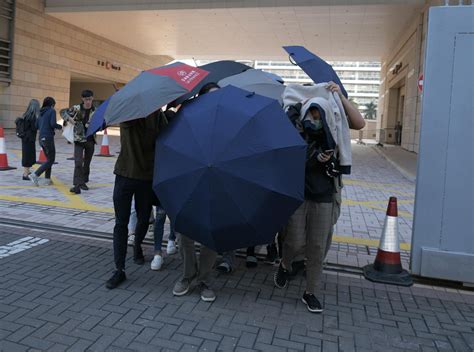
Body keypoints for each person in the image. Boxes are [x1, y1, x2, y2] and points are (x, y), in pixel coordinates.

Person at [274, 81, 365, 313]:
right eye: (311, 115)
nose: (315, 120)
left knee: (317, 246)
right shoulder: (294, 127)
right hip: (298, 193)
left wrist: (341, 97)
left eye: (319, 116)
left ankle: (310, 292)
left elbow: (359, 123)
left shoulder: (334, 133)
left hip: (324, 195)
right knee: (293, 240)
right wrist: (314, 156)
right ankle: (285, 264)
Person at [105, 110, 168, 289]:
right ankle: (120, 268)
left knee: (142, 218)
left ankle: (137, 245)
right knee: (122, 222)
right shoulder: (128, 114)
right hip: (126, 174)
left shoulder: (156, 116)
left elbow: (165, 137)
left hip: (145, 177)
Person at [172, 82, 220, 302]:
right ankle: (187, 275)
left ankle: (204, 279)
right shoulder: (189, 118)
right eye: (211, 96)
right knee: (185, 236)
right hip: (191, 184)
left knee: (211, 238)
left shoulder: (226, 122)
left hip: (217, 187)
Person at [60, 90, 96, 195]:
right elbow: (62, 112)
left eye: (89, 99)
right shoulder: (76, 108)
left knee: (87, 162)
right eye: (86, 99)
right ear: (82, 99)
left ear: (92, 98)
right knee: (78, 162)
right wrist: (69, 119)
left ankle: (84, 181)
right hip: (79, 139)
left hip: (90, 140)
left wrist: (93, 126)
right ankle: (77, 185)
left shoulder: (95, 111)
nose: (88, 101)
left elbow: (102, 124)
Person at [29, 97, 61, 186]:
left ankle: (47, 179)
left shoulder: (40, 112)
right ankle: (35, 174)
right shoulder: (52, 111)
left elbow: (36, 125)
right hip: (48, 138)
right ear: (52, 104)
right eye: (54, 105)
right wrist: (60, 127)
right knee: (51, 160)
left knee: (49, 159)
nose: (54, 107)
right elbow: (53, 124)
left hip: (41, 138)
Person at [18, 99, 40, 180]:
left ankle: (27, 172)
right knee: (28, 155)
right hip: (29, 139)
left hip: (25, 138)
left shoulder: (26, 114)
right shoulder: (32, 117)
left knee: (27, 154)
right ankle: (25, 174)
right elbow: (34, 128)